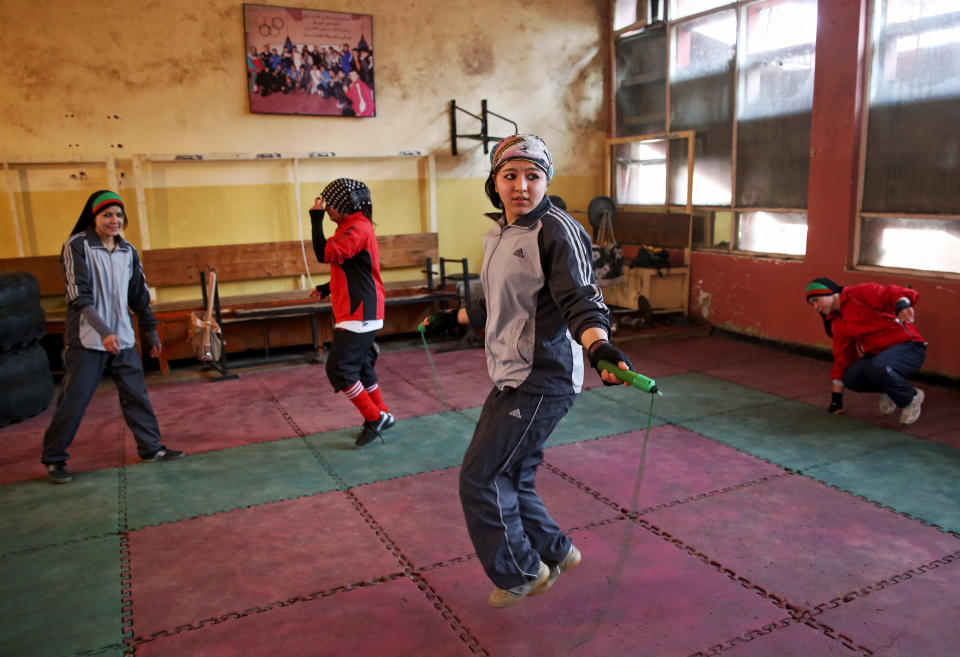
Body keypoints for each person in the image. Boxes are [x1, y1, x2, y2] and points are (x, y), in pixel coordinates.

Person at [419, 134, 633, 608]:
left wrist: (600, 347)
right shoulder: (500, 232)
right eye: (510, 176)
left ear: (546, 181)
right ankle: (557, 551)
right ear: (494, 183)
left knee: (481, 476)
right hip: (512, 372)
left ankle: (522, 572)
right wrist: (449, 319)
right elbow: (497, 301)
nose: (521, 186)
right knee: (512, 473)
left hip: (542, 377)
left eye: (532, 176)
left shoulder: (557, 230)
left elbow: (582, 299)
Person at [41, 190, 185, 484]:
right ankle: (54, 459)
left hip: (123, 336)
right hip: (87, 338)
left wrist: (150, 332)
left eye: (119, 215)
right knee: (75, 399)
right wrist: (103, 332)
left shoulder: (127, 251)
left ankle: (150, 448)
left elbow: (139, 296)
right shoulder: (77, 245)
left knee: (136, 394)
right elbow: (77, 297)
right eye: (107, 214)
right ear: (93, 217)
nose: (114, 220)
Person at [309, 179, 394, 447]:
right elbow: (352, 267)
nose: (328, 210)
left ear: (345, 205)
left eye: (331, 206)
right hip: (360, 308)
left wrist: (315, 219)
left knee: (340, 369)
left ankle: (373, 417)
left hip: (360, 311)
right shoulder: (350, 227)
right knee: (361, 366)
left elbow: (324, 254)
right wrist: (327, 287)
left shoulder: (357, 227)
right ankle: (383, 414)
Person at [805, 277, 927, 425]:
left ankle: (911, 398)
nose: (816, 307)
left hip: (909, 347)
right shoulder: (837, 323)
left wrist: (902, 304)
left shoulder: (859, 293)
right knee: (851, 378)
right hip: (877, 357)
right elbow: (842, 357)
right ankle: (890, 389)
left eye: (816, 300)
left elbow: (893, 293)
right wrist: (837, 399)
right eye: (812, 304)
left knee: (877, 367)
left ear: (830, 293)